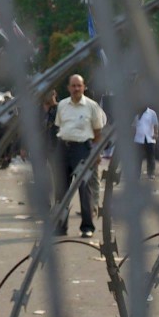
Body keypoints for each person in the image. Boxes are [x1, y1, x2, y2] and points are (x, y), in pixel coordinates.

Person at [54, 74, 105, 237]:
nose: (76, 89)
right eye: (73, 86)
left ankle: (87, 227)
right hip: (63, 148)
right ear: (68, 87)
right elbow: (60, 126)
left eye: (79, 86)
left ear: (84, 87)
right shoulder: (62, 105)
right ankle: (60, 227)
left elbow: (98, 132)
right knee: (61, 190)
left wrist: (95, 152)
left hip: (83, 150)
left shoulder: (92, 106)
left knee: (85, 190)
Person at [133, 106, 159, 180]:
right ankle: (136, 174)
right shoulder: (137, 113)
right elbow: (134, 126)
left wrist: (156, 133)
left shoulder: (152, 113)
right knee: (138, 158)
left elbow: (156, 124)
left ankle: (151, 173)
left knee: (150, 157)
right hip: (139, 138)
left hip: (149, 138)